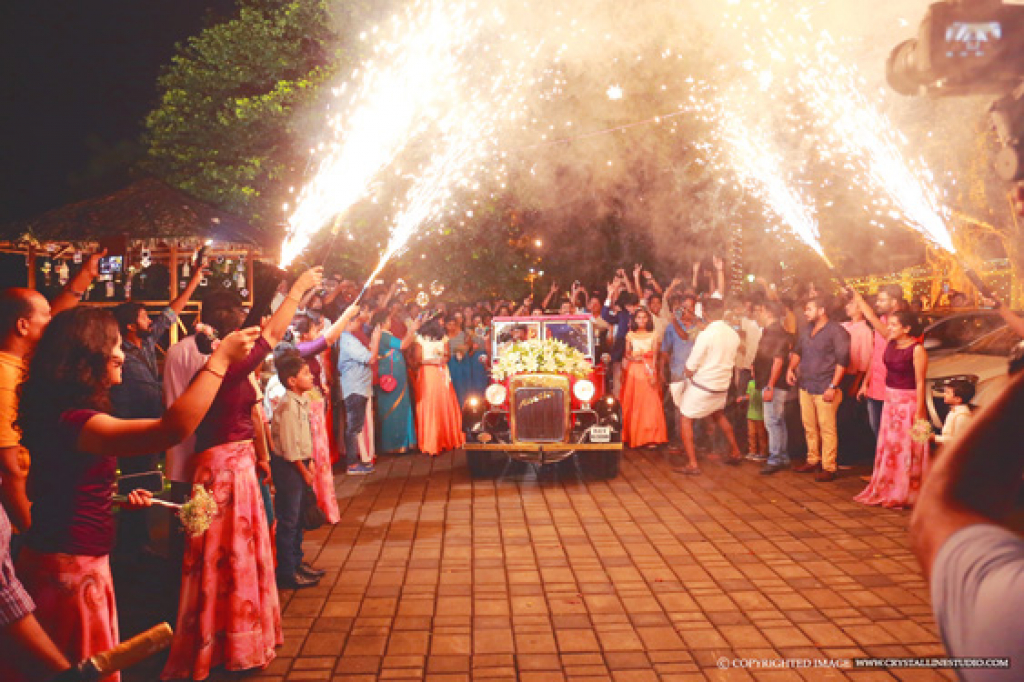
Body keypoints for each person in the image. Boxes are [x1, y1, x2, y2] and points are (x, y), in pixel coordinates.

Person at [0, 306, 257, 682]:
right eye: (115, 345)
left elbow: (65, 488)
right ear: (88, 354)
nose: (122, 354)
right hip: (69, 574)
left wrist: (112, 500)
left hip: (69, 563)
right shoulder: (76, 422)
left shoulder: (68, 415)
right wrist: (219, 360)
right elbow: (173, 430)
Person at [162, 267, 323, 681]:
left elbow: (258, 329)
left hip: (227, 468)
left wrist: (277, 285)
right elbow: (268, 334)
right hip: (225, 474)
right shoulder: (224, 368)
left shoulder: (219, 364)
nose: (247, 334)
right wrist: (298, 290)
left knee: (229, 558)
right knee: (228, 558)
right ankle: (231, 642)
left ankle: (231, 639)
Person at [909, 369, 1024, 678]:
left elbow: (937, 511)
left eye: (947, 393)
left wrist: (932, 437)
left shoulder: (1008, 605)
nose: (943, 396)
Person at [0, 252, 105, 536]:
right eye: (45, 316)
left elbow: (57, 315)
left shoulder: (22, 359)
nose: (52, 322)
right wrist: (31, 531)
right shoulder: (4, 375)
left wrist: (85, 276)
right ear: (22, 325)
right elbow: (8, 468)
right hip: (17, 517)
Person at [109, 260, 206, 557]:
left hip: (152, 424)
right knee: (134, 483)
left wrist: (194, 279)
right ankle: (133, 543)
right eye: (142, 316)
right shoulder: (116, 352)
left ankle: (139, 540)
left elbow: (170, 313)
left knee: (146, 482)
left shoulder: (148, 343)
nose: (149, 320)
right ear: (129, 325)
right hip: (130, 426)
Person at [852, 296, 930, 508]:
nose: (890, 327)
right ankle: (888, 486)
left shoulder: (917, 350)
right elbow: (872, 318)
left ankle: (907, 491)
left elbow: (921, 382)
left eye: (895, 325)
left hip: (910, 403)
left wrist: (920, 412)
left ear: (906, 328)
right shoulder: (890, 341)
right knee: (890, 446)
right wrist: (858, 298)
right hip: (891, 402)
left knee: (910, 447)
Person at [270, 352, 325, 590]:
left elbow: (303, 439)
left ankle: (297, 562)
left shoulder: (299, 401)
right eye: (305, 373)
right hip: (290, 469)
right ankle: (287, 572)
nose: (310, 376)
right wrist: (304, 471)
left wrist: (310, 460)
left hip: (300, 464)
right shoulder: (288, 405)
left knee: (298, 517)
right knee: (289, 521)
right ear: (291, 381)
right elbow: (291, 448)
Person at [674, 298, 743, 475]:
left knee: (685, 417)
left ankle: (692, 464)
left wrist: (687, 372)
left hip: (704, 385)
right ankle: (735, 451)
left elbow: (691, 365)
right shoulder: (732, 333)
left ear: (704, 312)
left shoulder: (706, 335)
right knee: (718, 414)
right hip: (722, 385)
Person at [788, 295, 851, 482]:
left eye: (809, 309)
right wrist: (791, 369)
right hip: (806, 385)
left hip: (825, 386)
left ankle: (829, 467)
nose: (805, 312)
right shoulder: (808, 329)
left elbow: (843, 361)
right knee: (809, 426)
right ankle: (813, 459)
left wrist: (833, 386)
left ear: (822, 310)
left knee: (827, 429)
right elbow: (798, 351)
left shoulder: (837, 332)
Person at [337, 304, 383, 476]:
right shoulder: (347, 340)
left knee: (355, 427)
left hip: (359, 387)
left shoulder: (351, 338)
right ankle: (352, 464)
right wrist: (376, 339)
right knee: (353, 428)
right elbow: (371, 359)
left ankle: (355, 462)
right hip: (355, 388)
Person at [411, 317, 464, 456]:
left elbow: (446, 355)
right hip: (433, 372)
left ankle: (437, 439)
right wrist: (435, 360)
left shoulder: (439, 338)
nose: (442, 323)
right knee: (436, 403)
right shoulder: (426, 338)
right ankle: (440, 439)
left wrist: (439, 360)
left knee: (438, 402)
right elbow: (419, 359)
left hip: (436, 372)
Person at [755, 302, 794, 475]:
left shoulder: (774, 333)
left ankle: (775, 458)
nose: (758, 314)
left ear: (766, 311)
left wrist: (770, 384)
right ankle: (782, 456)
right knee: (778, 420)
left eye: (759, 310)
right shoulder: (776, 331)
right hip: (775, 384)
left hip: (774, 385)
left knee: (772, 421)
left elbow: (778, 360)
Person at [373, 311, 419, 454]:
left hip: (392, 374)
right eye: (388, 319)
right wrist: (412, 329)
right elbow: (403, 344)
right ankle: (396, 443)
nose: (390, 322)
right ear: (382, 322)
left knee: (398, 406)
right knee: (395, 408)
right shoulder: (384, 335)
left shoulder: (382, 335)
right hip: (392, 377)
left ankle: (402, 442)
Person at [621, 308, 667, 448]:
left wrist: (654, 373)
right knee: (634, 402)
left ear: (648, 319)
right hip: (634, 371)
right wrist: (634, 357)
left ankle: (650, 437)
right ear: (634, 320)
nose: (641, 320)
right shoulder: (630, 335)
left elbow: (655, 357)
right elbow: (627, 353)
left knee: (650, 403)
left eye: (644, 318)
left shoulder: (654, 334)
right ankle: (632, 435)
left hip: (648, 370)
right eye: (639, 318)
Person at [838, 294, 875, 465]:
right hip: (839, 375)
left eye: (852, 304)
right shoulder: (844, 326)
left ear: (861, 308)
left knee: (847, 417)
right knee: (837, 416)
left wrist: (857, 383)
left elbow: (865, 362)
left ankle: (849, 456)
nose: (848, 307)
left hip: (853, 377)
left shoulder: (865, 331)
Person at [863, 285, 903, 440]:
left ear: (893, 302)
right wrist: (865, 383)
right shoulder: (881, 319)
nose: (877, 303)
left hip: (893, 389)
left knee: (894, 434)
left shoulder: (902, 323)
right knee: (878, 432)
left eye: (881, 300)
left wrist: (861, 303)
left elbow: (888, 336)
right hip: (875, 387)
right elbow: (875, 354)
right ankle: (885, 463)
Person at [661, 293, 701, 445]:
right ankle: (680, 440)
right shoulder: (671, 327)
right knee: (679, 409)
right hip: (677, 372)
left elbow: (685, 337)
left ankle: (695, 441)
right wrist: (661, 371)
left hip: (697, 374)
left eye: (691, 307)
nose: (687, 310)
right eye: (685, 307)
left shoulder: (700, 325)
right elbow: (665, 350)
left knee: (696, 407)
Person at [934, 379, 974, 446]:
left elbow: (958, 440)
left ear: (958, 399)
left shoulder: (962, 416)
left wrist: (935, 438)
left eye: (948, 393)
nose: (944, 394)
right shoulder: (954, 411)